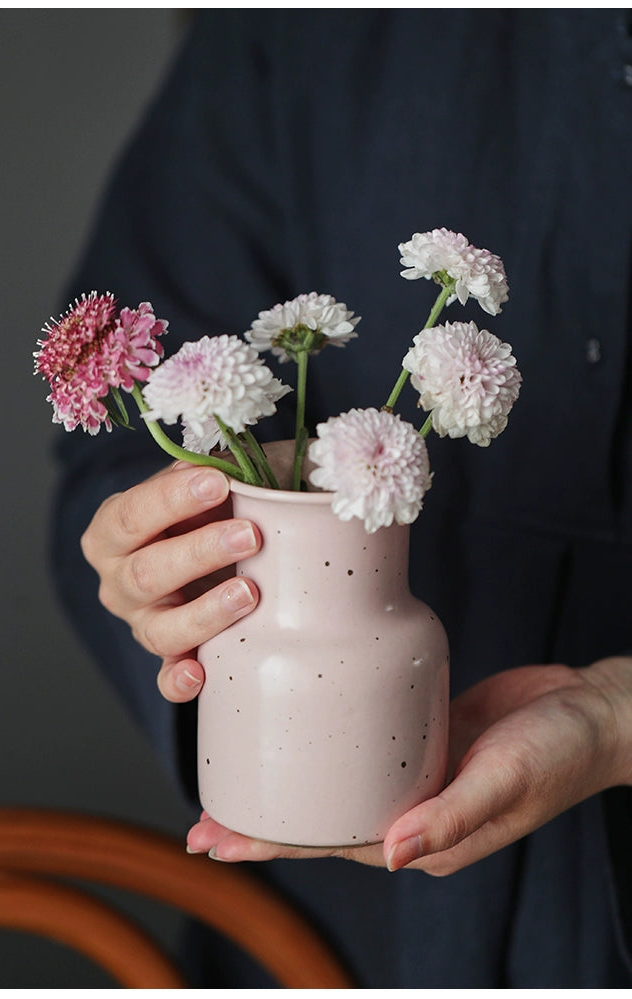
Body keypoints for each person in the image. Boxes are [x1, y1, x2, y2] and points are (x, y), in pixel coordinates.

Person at [50, 11, 632, 987]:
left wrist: (617, 719)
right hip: (349, 935)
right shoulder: (297, 29)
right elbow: (118, 447)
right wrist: (164, 563)